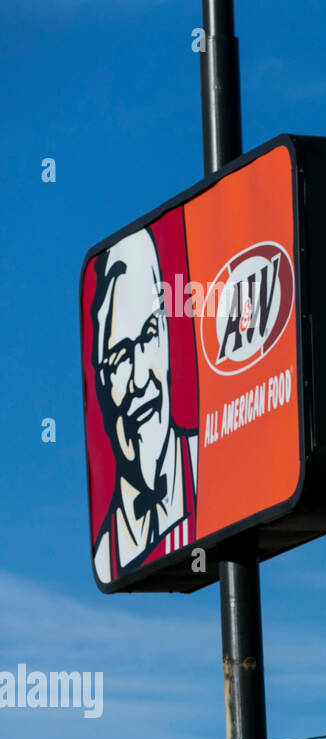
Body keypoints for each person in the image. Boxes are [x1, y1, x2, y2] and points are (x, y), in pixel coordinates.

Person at [89, 227, 198, 583]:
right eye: (119, 357)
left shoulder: (213, 466)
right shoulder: (105, 557)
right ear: (102, 384)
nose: (139, 379)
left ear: (167, 338)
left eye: (149, 334)